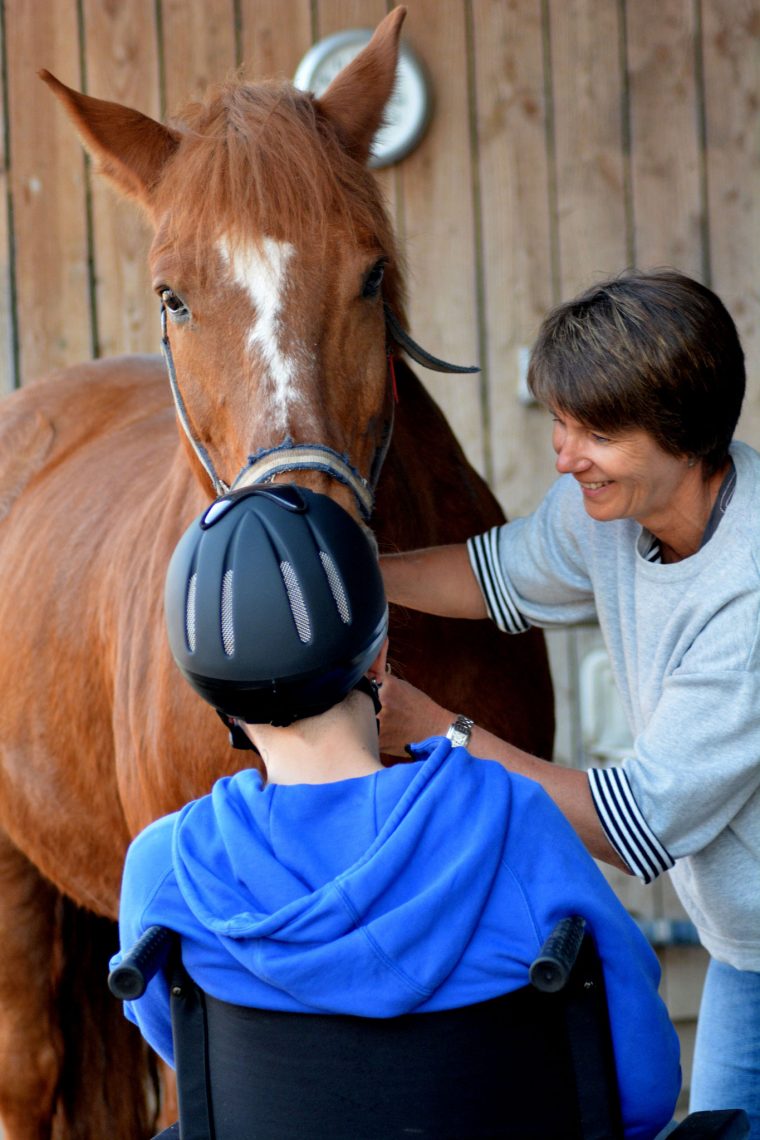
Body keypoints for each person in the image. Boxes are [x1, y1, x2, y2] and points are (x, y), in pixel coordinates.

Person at [111, 482, 680, 1139]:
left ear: (219, 703)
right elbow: (642, 1090)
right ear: (380, 654)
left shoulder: (167, 867)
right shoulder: (512, 825)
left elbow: (196, 1059)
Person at [378, 269, 760, 1134]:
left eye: (594, 432)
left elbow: (634, 829)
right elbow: (492, 573)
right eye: (559, 421)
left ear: (686, 432)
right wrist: (361, 574)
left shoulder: (748, 598)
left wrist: (441, 731)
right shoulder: (615, 514)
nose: (563, 454)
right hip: (747, 952)